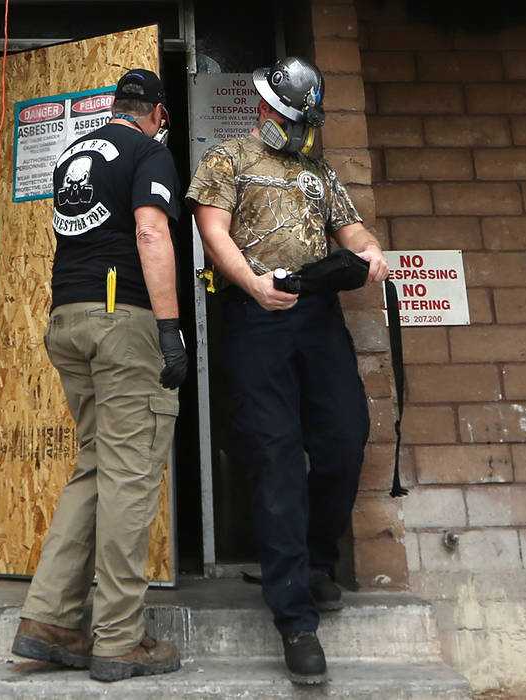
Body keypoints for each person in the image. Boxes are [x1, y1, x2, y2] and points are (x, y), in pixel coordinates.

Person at [186, 56, 389, 685]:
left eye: (304, 120)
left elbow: (354, 233)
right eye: (288, 115)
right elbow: (211, 231)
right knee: (274, 454)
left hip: (318, 317)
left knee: (343, 438)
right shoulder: (228, 159)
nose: (293, 128)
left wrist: (372, 255)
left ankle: (317, 561)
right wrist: (251, 285)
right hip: (257, 317)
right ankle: (295, 619)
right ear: (265, 108)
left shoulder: (320, 173)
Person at [11, 68, 187, 683]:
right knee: (130, 472)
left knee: (94, 466)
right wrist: (170, 328)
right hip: (123, 321)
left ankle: (50, 619)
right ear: (158, 112)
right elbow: (149, 229)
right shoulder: (149, 152)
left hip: (68, 319)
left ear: (116, 106)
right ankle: (119, 638)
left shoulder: (72, 152)